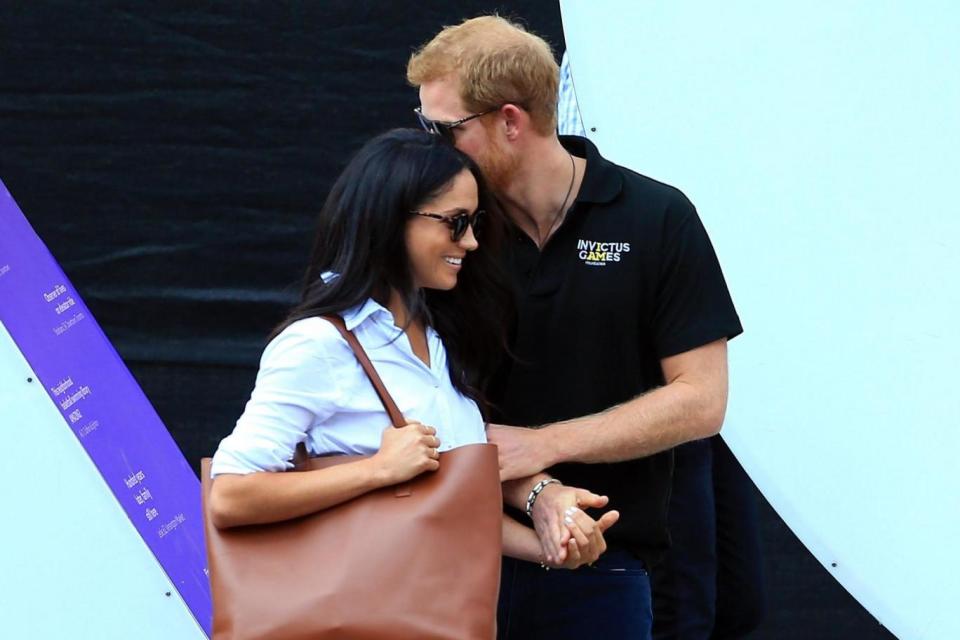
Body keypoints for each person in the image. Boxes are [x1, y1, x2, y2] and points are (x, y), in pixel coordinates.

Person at [407, 16, 743, 640]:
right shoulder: (447, 230)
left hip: (613, 563)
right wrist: (537, 491)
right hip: (462, 550)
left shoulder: (655, 217)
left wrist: (545, 444)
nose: (429, 147)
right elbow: (408, 390)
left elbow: (702, 400)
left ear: (510, 121)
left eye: (445, 129)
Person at [207, 128, 613, 576]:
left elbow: (449, 507)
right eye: (456, 221)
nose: (472, 242)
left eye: (476, 223)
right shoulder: (319, 345)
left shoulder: (438, 340)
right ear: (393, 219)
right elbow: (229, 495)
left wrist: (552, 547)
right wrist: (378, 470)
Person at [556, 50, 766, 640]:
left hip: (702, 345)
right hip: (641, 363)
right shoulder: (611, 44)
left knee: (736, 599)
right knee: (678, 605)